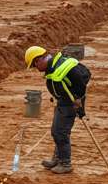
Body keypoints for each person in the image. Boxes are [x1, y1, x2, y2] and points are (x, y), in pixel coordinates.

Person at [24, 45, 90, 175]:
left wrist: (79, 101)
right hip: (62, 101)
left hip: (69, 103)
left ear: (39, 60)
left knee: (60, 132)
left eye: (34, 65)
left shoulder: (63, 67)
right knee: (56, 130)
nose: (35, 69)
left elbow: (81, 84)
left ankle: (65, 163)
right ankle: (58, 158)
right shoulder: (52, 66)